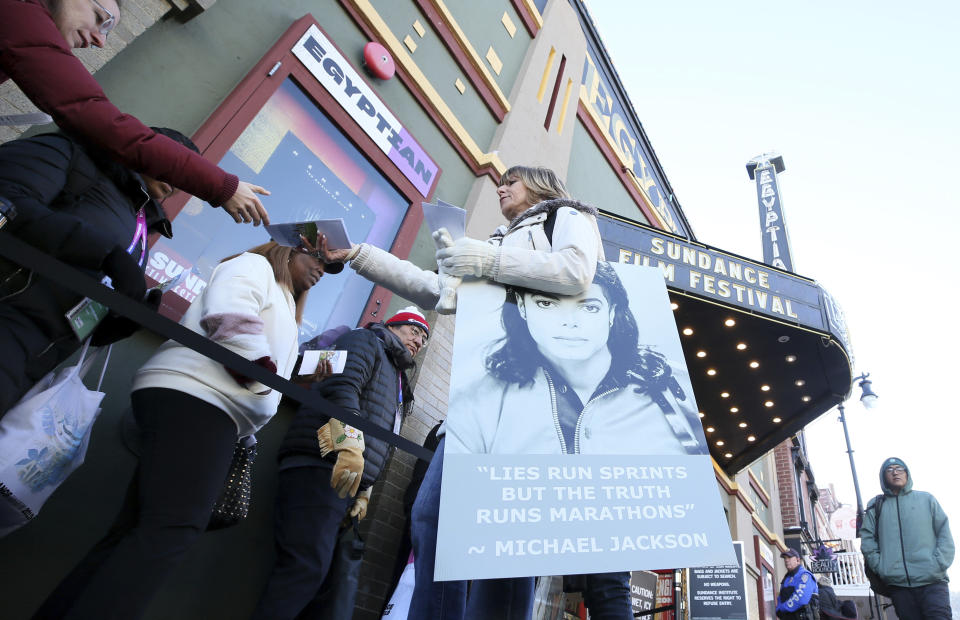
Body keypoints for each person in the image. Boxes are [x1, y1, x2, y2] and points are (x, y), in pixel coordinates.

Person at [321, 165, 605, 619]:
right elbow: (438, 291)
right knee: (433, 519)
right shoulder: (491, 244)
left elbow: (576, 271)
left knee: (508, 545)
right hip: (477, 400)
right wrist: (358, 254)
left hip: (535, 400)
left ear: (540, 186)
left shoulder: (567, 216)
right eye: (499, 182)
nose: (501, 187)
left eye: (512, 181)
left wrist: (485, 261)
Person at [32, 241, 337, 619]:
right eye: (319, 257)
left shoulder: (286, 305)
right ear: (289, 249)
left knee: (139, 531)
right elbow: (232, 310)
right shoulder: (254, 264)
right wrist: (259, 378)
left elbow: (264, 358)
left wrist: (299, 377)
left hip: (209, 405)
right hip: (202, 398)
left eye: (330, 267)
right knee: (172, 529)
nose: (324, 269)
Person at [1, 0, 270, 225]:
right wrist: (222, 186)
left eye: (107, 31)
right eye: (100, 19)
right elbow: (100, 119)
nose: (99, 40)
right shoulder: (17, 11)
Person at [0, 126, 195, 415]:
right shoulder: (77, 154)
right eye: (175, 166)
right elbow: (8, 198)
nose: (177, 183)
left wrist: (119, 321)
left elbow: (83, 305)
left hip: (32, 360)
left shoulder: (141, 224)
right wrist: (104, 253)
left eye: (188, 180)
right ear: (144, 146)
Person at [252, 307, 430, 620]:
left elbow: (381, 435)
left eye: (425, 338)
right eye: (414, 331)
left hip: (346, 478)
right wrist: (348, 446)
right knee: (304, 570)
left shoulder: (397, 377)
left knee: (315, 578)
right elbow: (338, 389)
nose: (419, 340)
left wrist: (365, 491)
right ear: (394, 325)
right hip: (321, 465)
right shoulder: (365, 340)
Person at [445, 261, 705, 456]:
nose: (569, 323)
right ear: (522, 308)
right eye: (547, 304)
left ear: (612, 312)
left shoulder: (674, 385)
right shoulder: (478, 402)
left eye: (589, 307)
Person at [860, 457, 954, 620]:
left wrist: (939, 563)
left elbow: (944, 532)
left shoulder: (927, 499)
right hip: (899, 585)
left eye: (899, 468)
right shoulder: (875, 505)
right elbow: (867, 540)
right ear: (883, 477)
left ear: (907, 473)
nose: (895, 472)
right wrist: (882, 567)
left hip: (932, 580)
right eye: (889, 470)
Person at [776, 548, 819, 619]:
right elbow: (780, 598)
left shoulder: (805, 575)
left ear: (798, 560)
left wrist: (782, 608)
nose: (786, 560)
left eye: (789, 557)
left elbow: (801, 598)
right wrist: (778, 609)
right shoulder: (786, 578)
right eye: (785, 558)